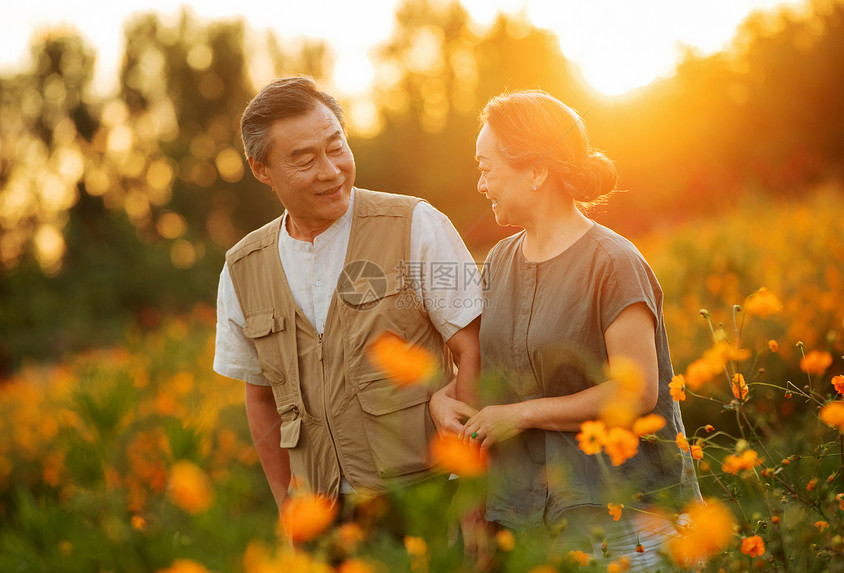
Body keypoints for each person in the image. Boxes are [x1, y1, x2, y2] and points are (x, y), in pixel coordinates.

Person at [430, 89, 702, 569]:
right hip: (528, 520)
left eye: (487, 167)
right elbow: (507, 370)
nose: (480, 183)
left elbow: (635, 394)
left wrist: (523, 415)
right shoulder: (499, 261)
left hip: (620, 519)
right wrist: (442, 399)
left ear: (536, 172)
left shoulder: (613, 262)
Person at [213, 76, 482, 535]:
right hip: (323, 518)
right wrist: (288, 507)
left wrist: (476, 502)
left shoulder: (418, 224)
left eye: (336, 147)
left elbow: (474, 351)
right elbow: (259, 396)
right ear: (262, 170)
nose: (331, 171)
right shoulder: (241, 269)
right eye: (304, 159)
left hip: (430, 500)